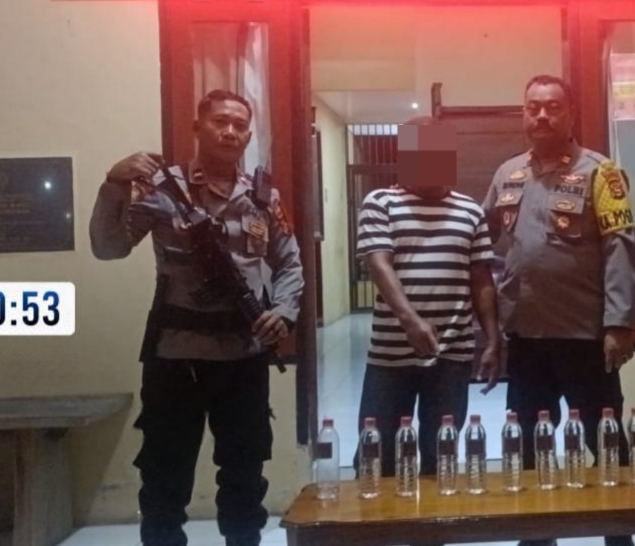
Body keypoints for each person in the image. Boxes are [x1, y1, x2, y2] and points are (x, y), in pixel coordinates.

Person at [90, 89, 304, 546]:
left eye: (240, 125)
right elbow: (108, 247)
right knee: (165, 479)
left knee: (244, 476)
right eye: (219, 121)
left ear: (249, 135)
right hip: (176, 358)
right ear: (197, 127)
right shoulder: (161, 189)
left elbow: (289, 262)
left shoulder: (262, 197)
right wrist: (113, 184)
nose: (230, 131)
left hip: (243, 358)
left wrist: (283, 311)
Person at [483, 75, 635, 546]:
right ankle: (537, 537)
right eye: (533, 107)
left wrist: (619, 324)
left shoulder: (601, 173)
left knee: (603, 441)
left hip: (584, 336)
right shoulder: (507, 174)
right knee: (530, 446)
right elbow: (480, 240)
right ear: (523, 114)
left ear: (571, 114)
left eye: (553, 107)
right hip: (526, 338)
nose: (542, 116)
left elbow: (620, 250)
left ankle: (620, 536)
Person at [354, 115, 501, 478]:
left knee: (442, 458)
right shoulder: (380, 202)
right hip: (391, 356)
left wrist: (493, 339)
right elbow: (379, 264)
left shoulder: (470, 211)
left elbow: (481, 279)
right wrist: (411, 322)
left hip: (452, 355)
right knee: (378, 457)